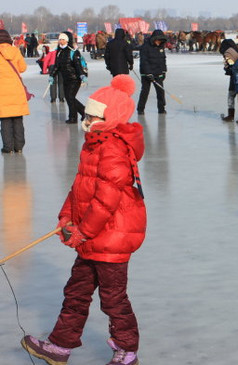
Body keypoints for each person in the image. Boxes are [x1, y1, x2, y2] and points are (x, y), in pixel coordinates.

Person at [21, 74, 147, 365]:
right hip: (93, 237)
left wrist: (82, 232)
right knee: (76, 291)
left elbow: (106, 201)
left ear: (108, 117)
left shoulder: (112, 148)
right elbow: (80, 186)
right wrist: (67, 216)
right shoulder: (94, 144)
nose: (85, 120)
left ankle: (127, 350)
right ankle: (60, 346)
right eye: (86, 115)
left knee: (113, 298)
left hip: (112, 238)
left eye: (91, 116)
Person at [0, 29, 30, 154]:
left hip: (2, 91)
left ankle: (8, 147)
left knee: (5, 120)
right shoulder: (15, 51)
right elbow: (23, 68)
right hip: (16, 89)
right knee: (18, 119)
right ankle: (19, 146)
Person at [50, 32, 87, 124]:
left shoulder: (73, 52)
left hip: (75, 79)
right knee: (69, 98)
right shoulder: (59, 52)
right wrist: (52, 75)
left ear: (66, 41)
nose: (60, 41)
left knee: (70, 97)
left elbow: (78, 65)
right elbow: (57, 66)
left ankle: (73, 117)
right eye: (59, 40)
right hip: (66, 79)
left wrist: (82, 75)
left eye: (62, 40)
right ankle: (84, 112)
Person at [137, 29, 168, 115]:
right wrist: (148, 73)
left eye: (161, 41)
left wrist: (164, 71)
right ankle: (140, 109)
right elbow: (144, 61)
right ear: (154, 39)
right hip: (146, 74)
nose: (159, 42)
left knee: (161, 91)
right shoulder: (145, 47)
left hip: (158, 72)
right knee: (145, 91)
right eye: (158, 40)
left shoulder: (161, 47)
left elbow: (163, 60)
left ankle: (161, 108)